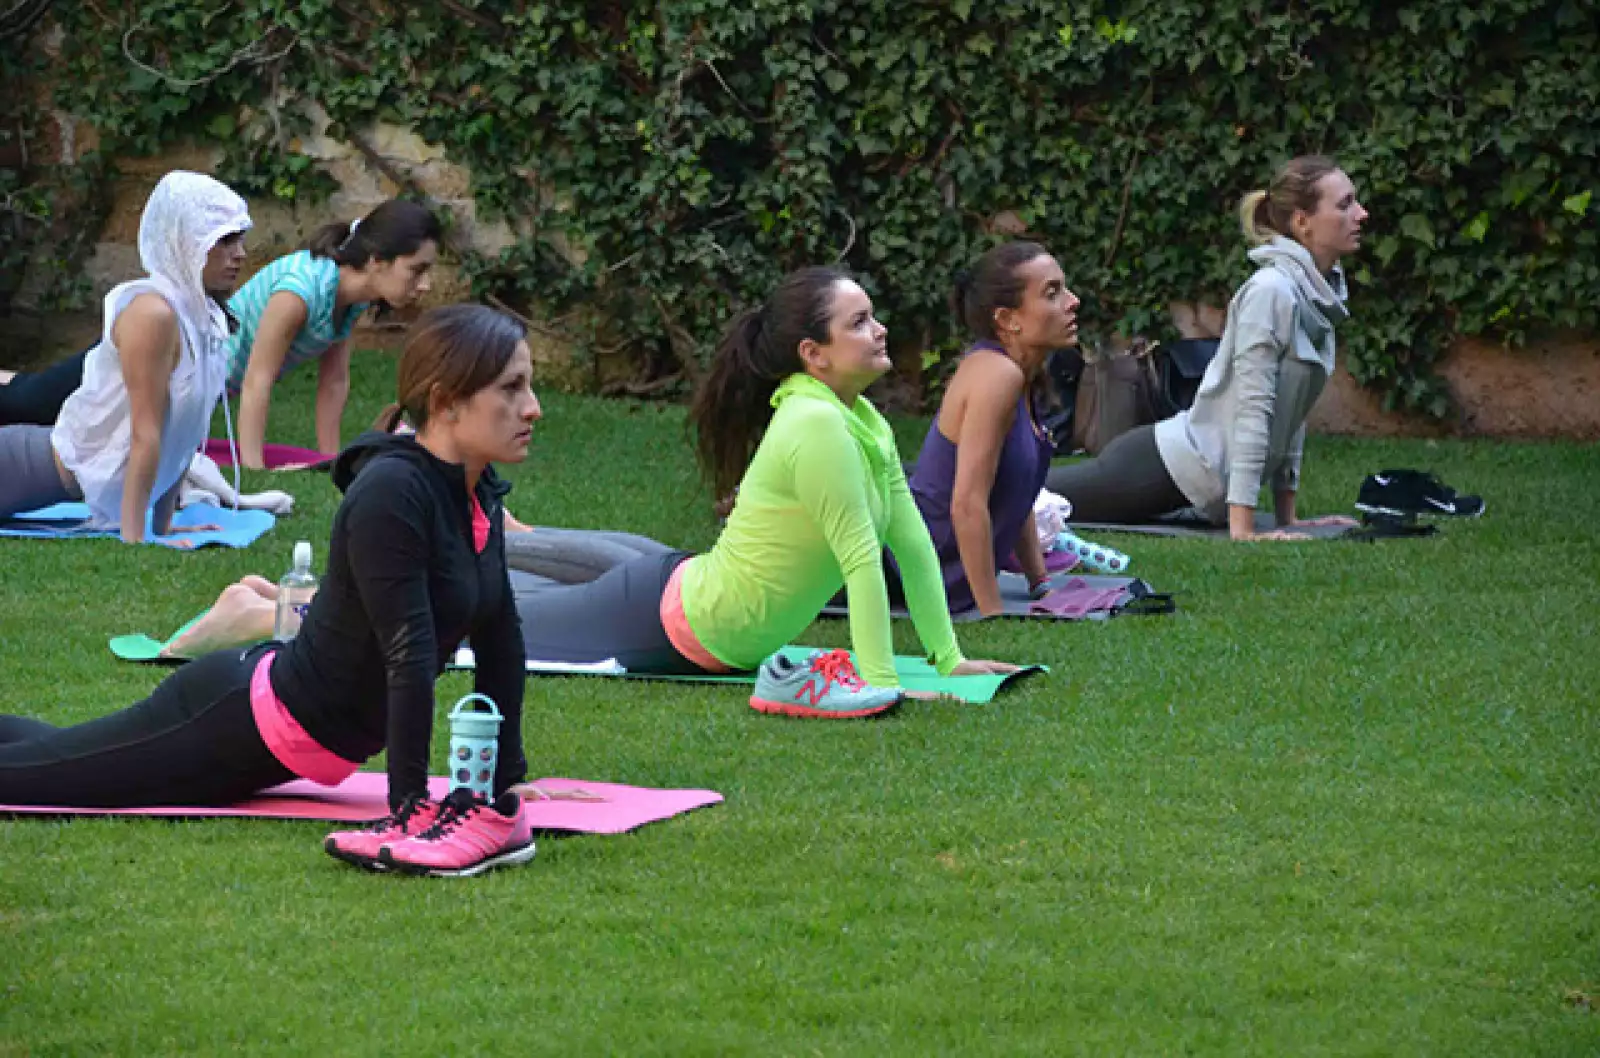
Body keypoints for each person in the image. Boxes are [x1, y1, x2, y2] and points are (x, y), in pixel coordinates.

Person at [0, 304, 546, 879]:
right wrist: (409, 809)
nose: (532, 407)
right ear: (446, 401)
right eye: (512, 388)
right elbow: (405, 654)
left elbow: (500, 638)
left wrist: (508, 780)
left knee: (65, 752)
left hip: (268, 721)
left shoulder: (474, 491)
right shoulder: (393, 494)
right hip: (238, 723)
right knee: (41, 778)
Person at [511, 266, 1019, 719]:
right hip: (672, 622)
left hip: (683, 588)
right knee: (487, 612)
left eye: (872, 317)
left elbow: (911, 545)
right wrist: (881, 686)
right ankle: (458, 536)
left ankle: (482, 533)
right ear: (813, 354)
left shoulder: (865, 423)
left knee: (528, 569)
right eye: (859, 322)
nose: (880, 329)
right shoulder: (815, 422)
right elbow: (860, 560)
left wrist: (950, 661)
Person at [1044, 155, 1365, 541]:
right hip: (1160, 465)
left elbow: (1292, 412)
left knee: (1025, 495)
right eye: (1344, 204)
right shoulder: (1272, 292)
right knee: (1029, 498)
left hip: (1178, 470)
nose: (1361, 214)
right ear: (1302, 221)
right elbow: (1253, 405)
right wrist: (1244, 529)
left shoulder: (1318, 298)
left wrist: (1287, 515)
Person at [0, 170, 251, 543]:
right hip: (18, 466)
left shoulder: (201, 319)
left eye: (240, 240)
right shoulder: (152, 313)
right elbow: (144, 434)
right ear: (186, 243)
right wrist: (137, 542)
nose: (240, 255)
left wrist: (162, 528)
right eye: (225, 241)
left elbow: (182, 435)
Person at [903, 242, 1077, 617]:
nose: (1072, 301)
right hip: (903, 570)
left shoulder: (1021, 375)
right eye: (1052, 293)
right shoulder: (996, 375)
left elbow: (1018, 490)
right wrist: (992, 613)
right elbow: (966, 504)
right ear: (1007, 319)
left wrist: (1040, 582)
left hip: (937, 570)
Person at [228, 199, 441, 469]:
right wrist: (253, 467)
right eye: (416, 270)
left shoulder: (351, 298)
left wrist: (329, 461)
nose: (425, 285)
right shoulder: (298, 293)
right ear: (377, 261)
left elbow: (334, 380)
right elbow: (257, 379)